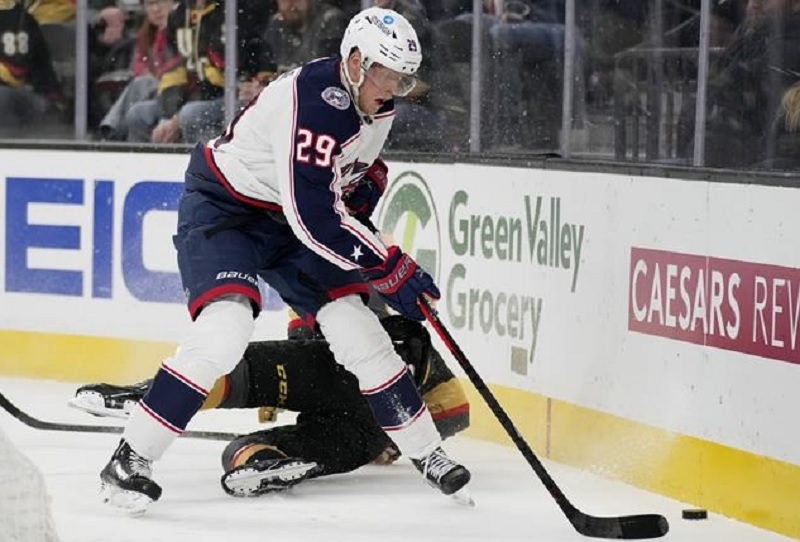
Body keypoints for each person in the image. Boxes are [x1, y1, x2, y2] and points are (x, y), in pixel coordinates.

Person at [99, 6, 472, 515]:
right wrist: (386, 266)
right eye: (386, 75)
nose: (393, 89)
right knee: (225, 329)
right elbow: (313, 216)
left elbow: (335, 194)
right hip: (228, 212)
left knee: (361, 331)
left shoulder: (377, 107)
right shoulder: (318, 102)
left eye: (402, 80)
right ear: (356, 62)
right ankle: (130, 457)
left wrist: (364, 191)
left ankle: (428, 453)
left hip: (287, 218)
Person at [72, 316, 470, 497]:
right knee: (246, 447)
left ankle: (152, 399)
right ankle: (264, 464)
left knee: (242, 372)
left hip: (336, 376)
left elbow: (301, 341)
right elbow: (457, 411)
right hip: (366, 432)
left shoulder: (328, 274)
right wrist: (397, 440)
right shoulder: (394, 326)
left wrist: (282, 389)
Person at [0, 0, 65, 138]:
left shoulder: (26, 19)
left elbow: (41, 62)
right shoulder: (24, 17)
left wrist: (53, 94)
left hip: (26, 94)